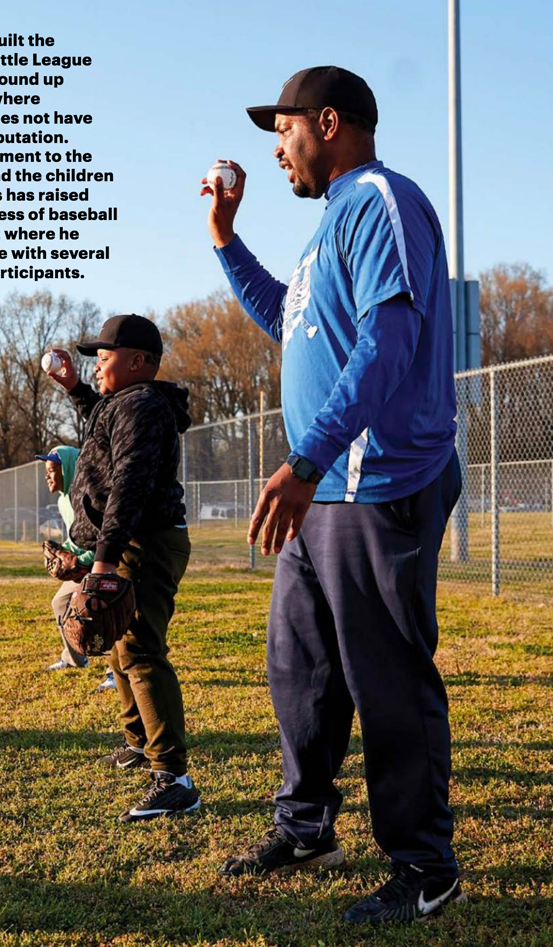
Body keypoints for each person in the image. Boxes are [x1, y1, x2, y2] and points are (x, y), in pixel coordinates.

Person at [201, 66, 464, 924]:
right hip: (326, 491)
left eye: (282, 132)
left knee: (386, 677)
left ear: (327, 121)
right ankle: (307, 824)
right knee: (301, 670)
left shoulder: (381, 199)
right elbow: (291, 318)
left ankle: (426, 866)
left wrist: (308, 458)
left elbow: (389, 341)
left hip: (376, 481)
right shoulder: (328, 228)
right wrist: (225, 240)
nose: (275, 150)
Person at [48, 314, 199, 821]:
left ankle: (173, 778)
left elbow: (129, 483)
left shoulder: (143, 406)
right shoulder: (129, 402)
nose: (95, 367)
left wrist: (105, 558)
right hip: (134, 541)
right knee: (118, 644)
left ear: (137, 362)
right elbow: (102, 421)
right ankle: (140, 744)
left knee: (140, 651)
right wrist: (73, 389)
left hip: (143, 543)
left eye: (104, 358)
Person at [37, 446, 116, 692]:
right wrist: (66, 553)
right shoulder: (64, 500)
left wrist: (81, 561)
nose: (48, 476)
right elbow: (77, 538)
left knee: (105, 612)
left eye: (52, 470)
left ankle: (115, 672)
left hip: (104, 561)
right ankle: (75, 658)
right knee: (61, 603)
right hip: (85, 562)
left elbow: (103, 535)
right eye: (47, 471)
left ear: (69, 469)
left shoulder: (84, 495)